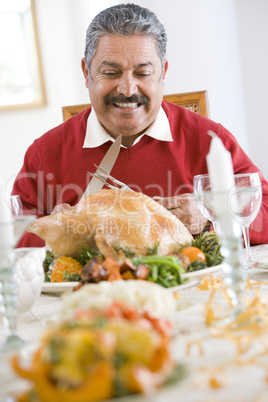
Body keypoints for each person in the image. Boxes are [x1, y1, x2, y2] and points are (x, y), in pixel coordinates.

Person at [13, 3, 268, 247]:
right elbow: (15, 235)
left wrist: (210, 220)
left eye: (143, 73)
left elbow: (263, 208)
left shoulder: (209, 140)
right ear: (86, 73)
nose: (127, 90)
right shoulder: (45, 152)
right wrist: (57, 231)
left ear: (163, 73)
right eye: (111, 73)